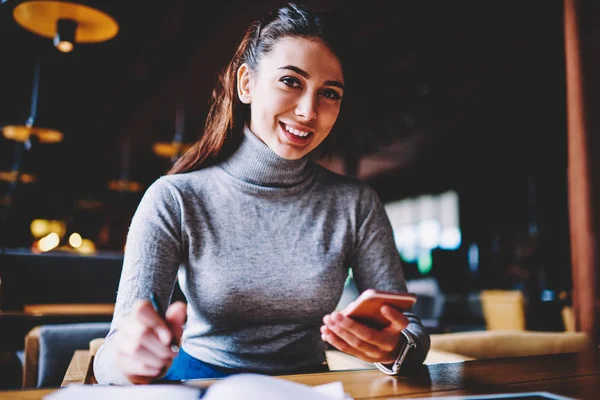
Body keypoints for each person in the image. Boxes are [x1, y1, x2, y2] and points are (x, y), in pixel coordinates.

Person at [94, 2, 430, 385]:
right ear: (246, 84)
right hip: (201, 385)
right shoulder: (174, 199)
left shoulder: (355, 203)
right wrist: (128, 359)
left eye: (330, 93)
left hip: (309, 388)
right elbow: (110, 355)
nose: (308, 111)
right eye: (291, 81)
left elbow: (412, 334)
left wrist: (394, 350)